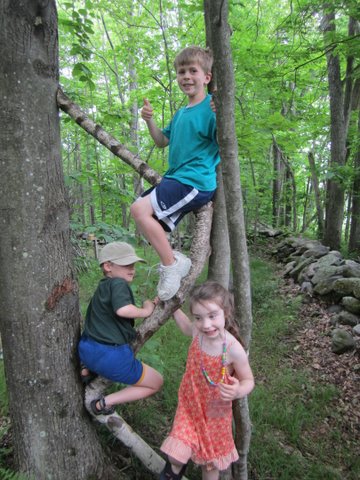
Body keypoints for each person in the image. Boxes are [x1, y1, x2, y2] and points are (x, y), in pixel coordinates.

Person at [131, 46, 220, 301]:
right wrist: (149, 120)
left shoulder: (212, 109)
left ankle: (172, 266)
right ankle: (174, 262)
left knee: (139, 210)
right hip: (176, 178)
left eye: (193, 71)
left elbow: (224, 143)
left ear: (207, 77)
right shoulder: (181, 113)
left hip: (196, 181)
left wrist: (221, 115)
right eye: (182, 72)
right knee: (146, 217)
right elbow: (161, 141)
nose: (186, 76)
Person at [159, 282, 255, 480]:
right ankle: (174, 470)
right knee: (175, 455)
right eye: (198, 318)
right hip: (189, 402)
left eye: (212, 316)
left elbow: (248, 380)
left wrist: (238, 391)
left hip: (215, 411)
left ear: (225, 312)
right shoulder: (197, 332)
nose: (206, 324)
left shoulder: (232, 348)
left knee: (210, 465)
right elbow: (186, 327)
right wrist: (172, 305)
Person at [78, 241, 163, 416]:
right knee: (156, 382)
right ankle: (102, 403)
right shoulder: (118, 283)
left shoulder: (103, 287)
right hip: (112, 357)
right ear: (108, 266)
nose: (131, 269)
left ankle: (87, 370)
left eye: (132, 265)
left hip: (86, 350)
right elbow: (123, 310)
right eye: (126, 265)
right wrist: (147, 310)